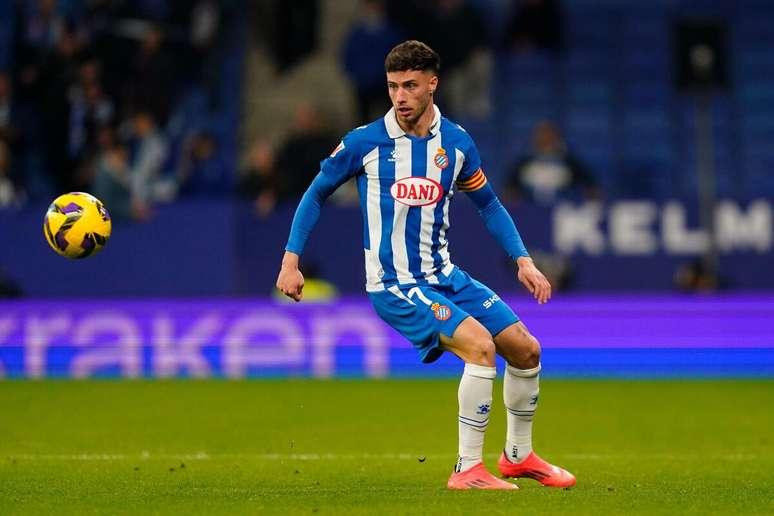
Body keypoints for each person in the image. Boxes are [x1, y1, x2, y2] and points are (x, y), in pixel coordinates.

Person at [275, 40, 575, 490]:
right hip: (394, 283)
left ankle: (518, 455)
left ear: (432, 84)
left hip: (445, 275)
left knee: (526, 349)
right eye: (394, 86)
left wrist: (524, 261)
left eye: (410, 85)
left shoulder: (455, 144)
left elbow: (489, 205)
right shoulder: (365, 143)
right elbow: (315, 192)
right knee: (480, 348)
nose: (400, 96)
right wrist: (290, 260)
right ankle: (468, 470)